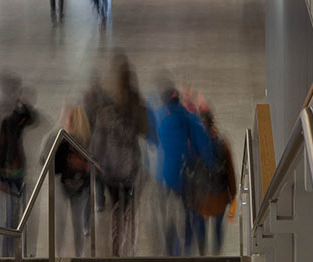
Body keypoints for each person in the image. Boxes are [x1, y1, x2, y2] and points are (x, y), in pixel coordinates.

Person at [88, 56, 149, 257]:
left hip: (110, 168)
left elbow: (98, 138)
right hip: (130, 165)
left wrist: (95, 160)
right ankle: (130, 250)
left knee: (115, 209)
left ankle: (115, 251)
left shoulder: (106, 106)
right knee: (129, 209)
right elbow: (145, 130)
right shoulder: (136, 104)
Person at [154, 87, 218, 256]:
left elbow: (156, 141)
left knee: (171, 210)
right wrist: (210, 165)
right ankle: (187, 248)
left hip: (167, 175)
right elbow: (203, 144)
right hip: (187, 175)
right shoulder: (189, 120)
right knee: (188, 211)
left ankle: (171, 246)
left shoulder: (162, 120)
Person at [0, 90, 34, 256]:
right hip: (13, 174)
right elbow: (2, 149)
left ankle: (11, 252)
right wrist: (2, 177)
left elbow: (33, 118)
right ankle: (10, 253)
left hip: (15, 173)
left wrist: (22, 104)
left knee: (14, 215)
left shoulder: (15, 121)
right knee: (13, 216)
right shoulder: (14, 122)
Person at [194, 109, 236, 255]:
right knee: (218, 227)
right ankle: (217, 255)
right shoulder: (223, 143)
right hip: (220, 196)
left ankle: (202, 255)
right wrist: (233, 194)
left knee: (201, 227)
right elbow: (230, 170)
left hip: (201, 198)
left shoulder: (194, 144)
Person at [54, 103, 93, 257]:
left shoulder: (64, 143)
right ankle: (79, 255)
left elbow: (56, 168)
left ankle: (58, 254)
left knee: (60, 224)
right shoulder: (88, 141)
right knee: (78, 225)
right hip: (82, 188)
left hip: (65, 187)